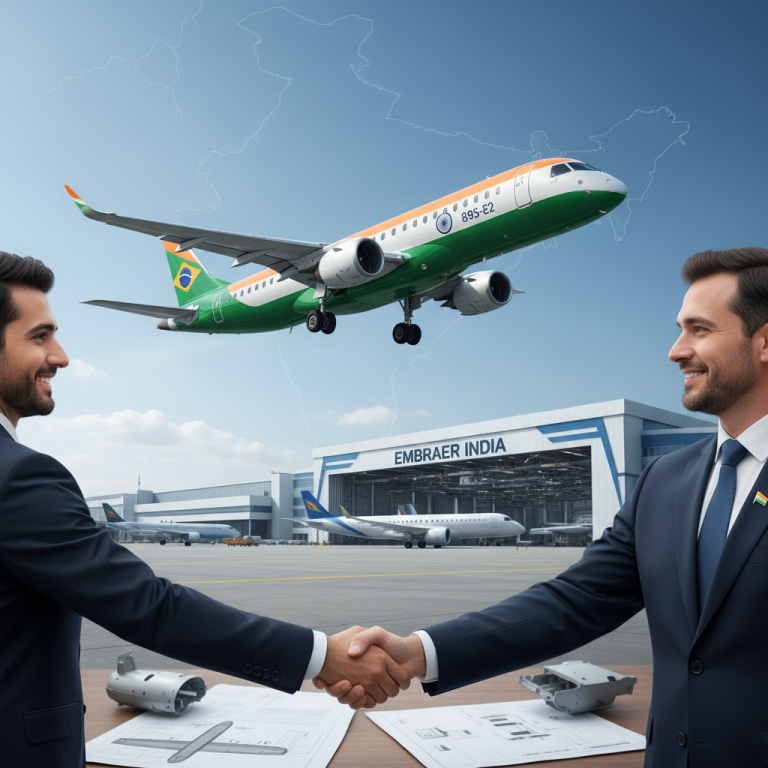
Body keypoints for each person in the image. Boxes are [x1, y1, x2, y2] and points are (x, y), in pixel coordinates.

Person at [323, 246, 768, 767]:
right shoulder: (665, 481)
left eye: (700, 330)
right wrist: (418, 653)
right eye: (679, 328)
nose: (675, 350)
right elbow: (574, 603)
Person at [0, 251, 407, 767]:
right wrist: (323, 656)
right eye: (40, 337)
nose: (60, 356)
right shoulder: (18, 474)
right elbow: (147, 606)